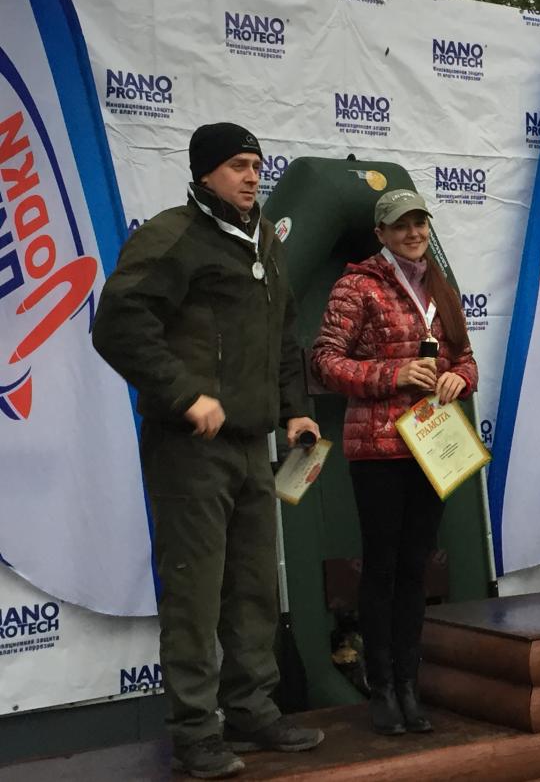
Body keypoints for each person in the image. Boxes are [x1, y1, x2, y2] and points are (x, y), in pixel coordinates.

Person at [92, 122, 323, 780]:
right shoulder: (172, 235)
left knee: (253, 587)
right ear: (204, 173)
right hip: (190, 448)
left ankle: (250, 709)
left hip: (253, 445)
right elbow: (117, 323)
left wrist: (295, 407)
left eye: (257, 164)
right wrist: (184, 394)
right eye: (238, 165)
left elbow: (283, 333)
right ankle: (195, 732)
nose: (252, 176)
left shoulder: (264, 239)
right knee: (195, 594)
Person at [311, 188, 478, 734]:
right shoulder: (357, 285)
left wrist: (459, 378)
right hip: (379, 447)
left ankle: (409, 682)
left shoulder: (440, 285)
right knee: (382, 566)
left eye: (419, 223)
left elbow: (466, 358)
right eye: (401, 225)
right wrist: (394, 374)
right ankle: (381, 685)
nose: (413, 233)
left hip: (433, 445)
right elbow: (325, 362)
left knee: (415, 568)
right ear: (381, 233)